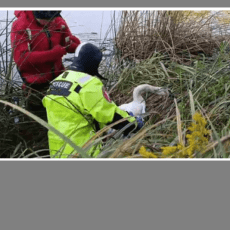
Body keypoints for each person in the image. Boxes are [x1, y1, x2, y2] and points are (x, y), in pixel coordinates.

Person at [42, 43, 144, 158]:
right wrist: (133, 123)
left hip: (57, 152)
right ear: (93, 62)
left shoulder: (56, 82)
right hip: (83, 151)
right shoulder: (89, 83)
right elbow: (110, 116)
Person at [10, 10, 81, 119]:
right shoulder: (20, 25)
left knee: (64, 117)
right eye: (47, 20)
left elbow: (66, 43)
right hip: (35, 88)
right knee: (39, 124)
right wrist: (53, 54)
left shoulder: (57, 19)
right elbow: (21, 60)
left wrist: (75, 46)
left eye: (53, 18)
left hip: (59, 81)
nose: (51, 22)